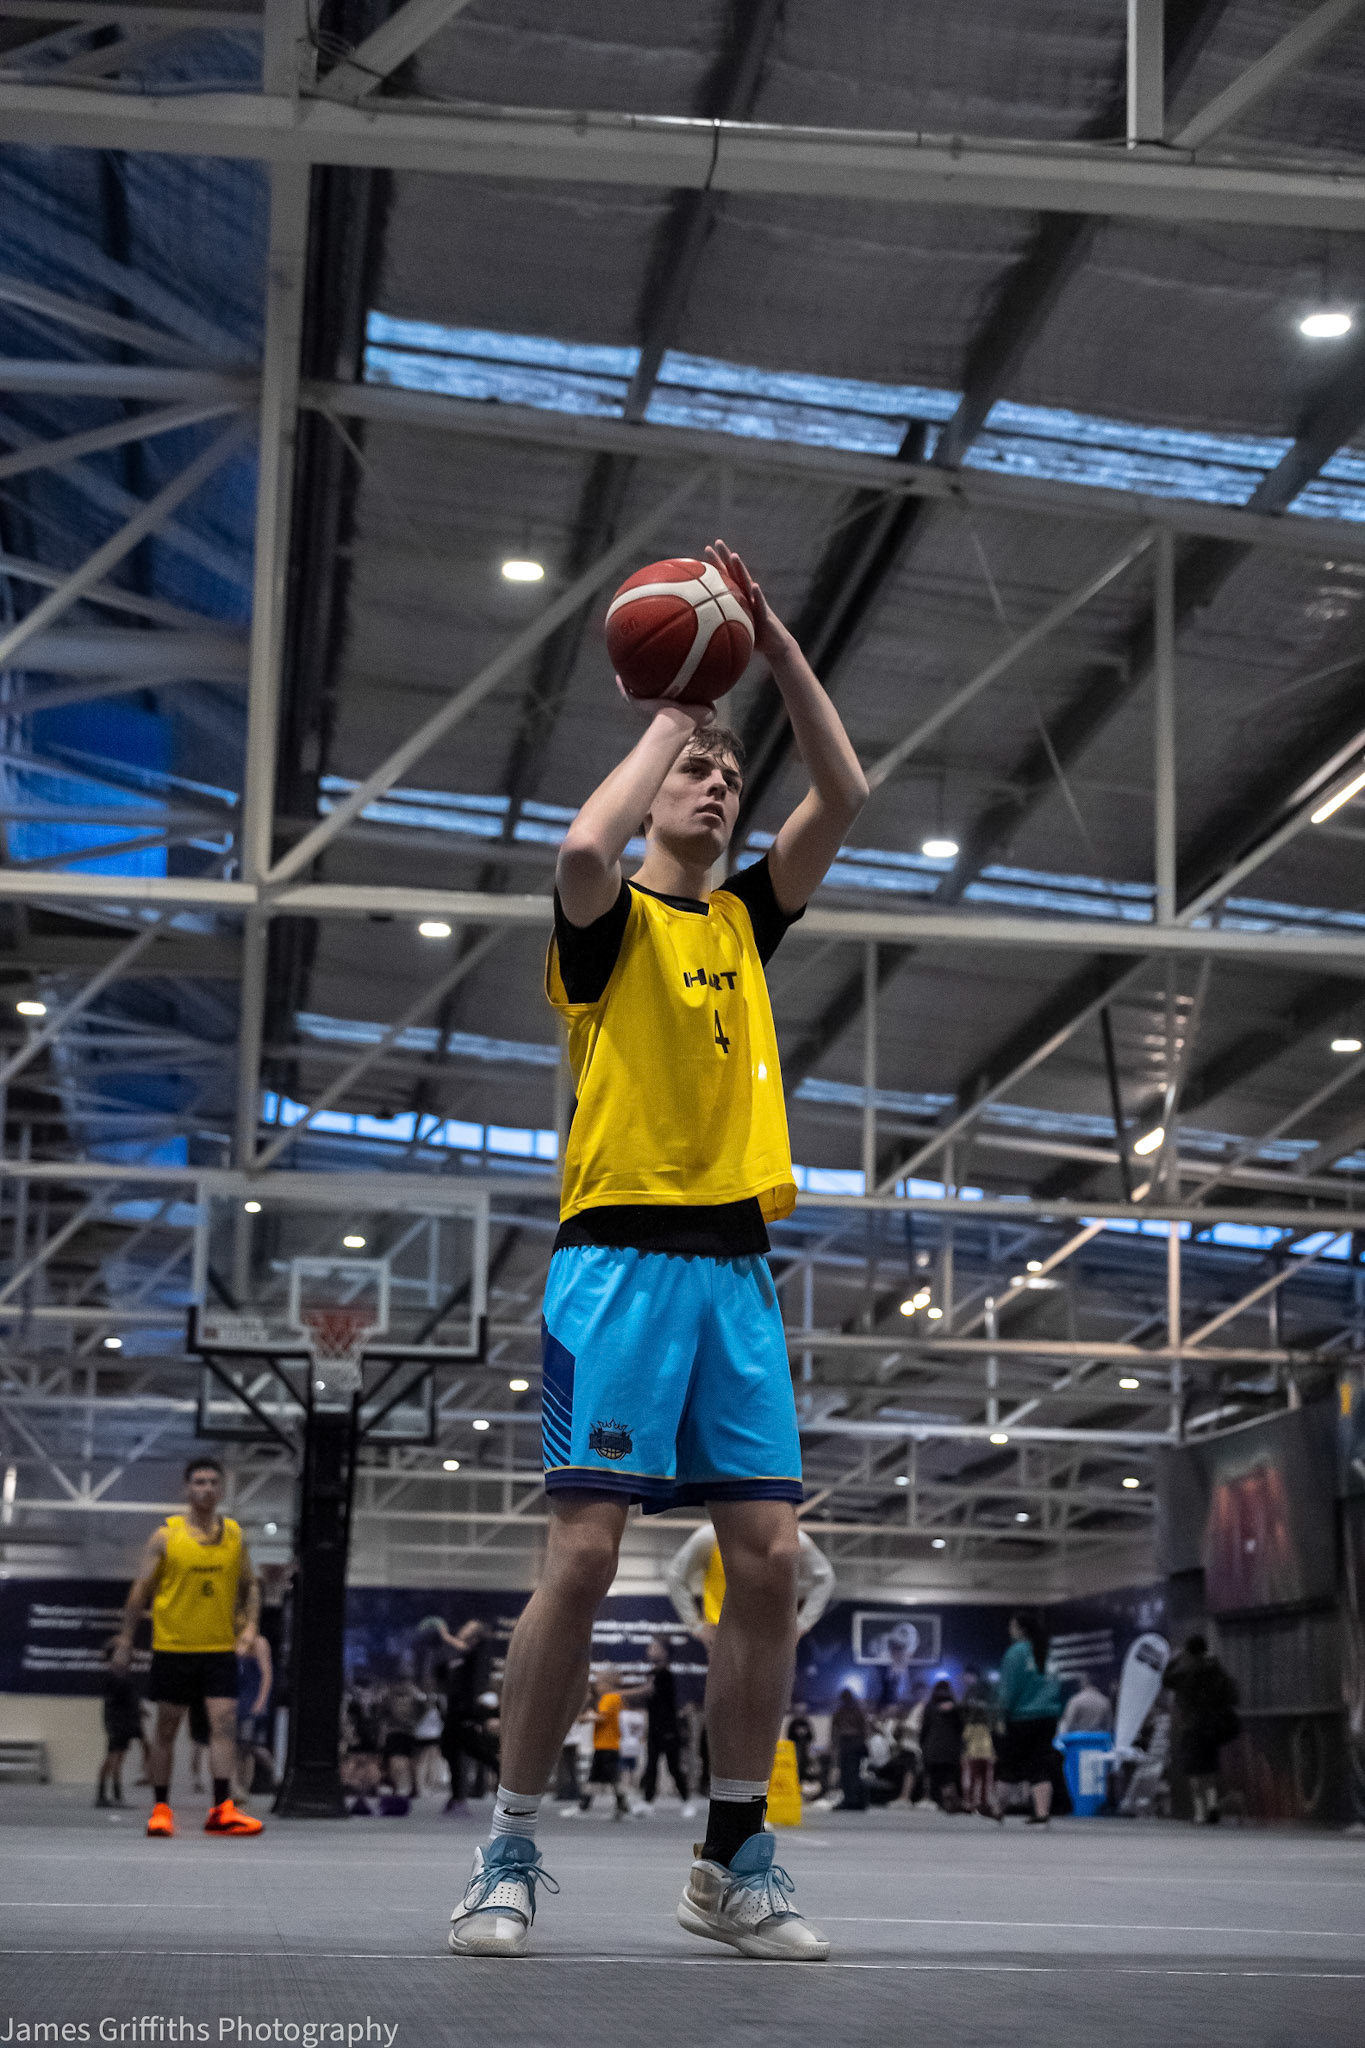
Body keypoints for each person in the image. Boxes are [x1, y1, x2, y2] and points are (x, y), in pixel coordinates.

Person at [448, 539, 866, 1963]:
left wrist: (774, 649)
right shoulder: (607, 921)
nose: (720, 782)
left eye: (730, 773)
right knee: (582, 1558)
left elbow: (845, 795)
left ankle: (733, 1858)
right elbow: (581, 848)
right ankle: (507, 1849)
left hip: (734, 1271)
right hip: (615, 1264)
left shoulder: (746, 920)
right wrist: (672, 717)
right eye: (701, 769)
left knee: (769, 1555)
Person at [111, 1455, 263, 1837]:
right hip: (174, 1648)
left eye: (213, 1482)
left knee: (224, 1725)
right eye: (199, 1482)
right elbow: (140, 1591)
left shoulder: (234, 1535)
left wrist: (250, 1628)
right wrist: (126, 1638)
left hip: (218, 1649)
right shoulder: (166, 1537)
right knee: (166, 1729)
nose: (206, 1488)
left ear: (221, 1490)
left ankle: (223, 1809)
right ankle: (161, 1809)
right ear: (187, 1489)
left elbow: (250, 1586)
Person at [664, 1521, 835, 1647]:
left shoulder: (792, 1539)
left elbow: (825, 1578)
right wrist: (696, 1626)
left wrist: (802, 1625)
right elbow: (675, 1575)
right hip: (724, 1635)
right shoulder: (710, 1537)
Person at [1164, 1634, 1240, 1824]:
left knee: (1194, 1771)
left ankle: (1200, 1812)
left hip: (1191, 1726)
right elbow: (1231, 1694)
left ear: (1188, 1651)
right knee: (1209, 1768)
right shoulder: (1215, 1670)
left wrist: (1173, 1660)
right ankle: (1213, 1804)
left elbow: (1166, 1681)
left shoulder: (1186, 1673)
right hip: (1212, 1727)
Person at [994, 1612, 1062, 1826]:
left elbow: (1009, 1688)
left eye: (1012, 1626)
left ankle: (998, 1809)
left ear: (1021, 1629)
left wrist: (1002, 1714)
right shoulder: (1048, 1652)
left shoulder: (1016, 1652)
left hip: (1022, 1716)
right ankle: (1042, 1812)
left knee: (1008, 1764)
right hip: (1048, 1716)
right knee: (1040, 1764)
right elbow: (1057, 1684)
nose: (1009, 1630)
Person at [627, 1635, 698, 1817]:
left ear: (665, 1653)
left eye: (655, 1648)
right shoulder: (651, 1674)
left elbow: (669, 1705)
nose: (650, 1651)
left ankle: (687, 1800)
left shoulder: (666, 1675)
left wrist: (671, 1730)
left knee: (673, 1767)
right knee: (651, 1766)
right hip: (654, 1728)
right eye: (650, 1648)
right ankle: (647, 1801)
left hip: (668, 1729)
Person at [438, 1619, 500, 1815]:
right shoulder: (455, 1656)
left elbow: (468, 1654)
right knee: (452, 1751)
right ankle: (457, 1797)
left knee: (473, 1750)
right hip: (453, 1711)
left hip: (466, 1711)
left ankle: (503, 1777)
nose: (464, 1629)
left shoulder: (476, 1653)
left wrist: (446, 1636)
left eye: (470, 1628)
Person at [575, 1669, 631, 1820]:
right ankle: (584, 1805)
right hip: (605, 1744)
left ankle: (622, 1805)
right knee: (595, 1777)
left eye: (600, 1683)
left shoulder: (609, 1698)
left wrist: (585, 1718)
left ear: (608, 1683)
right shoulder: (616, 1698)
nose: (597, 1686)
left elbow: (602, 1717)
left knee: (612, 1778)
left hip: (607, 1745)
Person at [96, 1639, 143, 1807]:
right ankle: (106, 1795)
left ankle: (113, 1795)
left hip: (125, 1721)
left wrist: (139, 1712)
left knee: (119, 1758)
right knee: (113, 1758)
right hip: (116, 1722)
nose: (124, 1657)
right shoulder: (112, 1677)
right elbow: (116, 1700)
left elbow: (131, 1700)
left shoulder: (126, 1676)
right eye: (120, 1654)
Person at [919, 1678, 965, 1810]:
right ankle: (951, 1800)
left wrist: (922, 1745)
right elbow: (961, 1728)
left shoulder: (930, 1706)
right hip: (951, 1748)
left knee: (937, 1777)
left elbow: (925, 1728)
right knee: (949, 1776)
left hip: (932, 1747)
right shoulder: (956, 1708)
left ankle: (943, 1800)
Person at [829, 1687, 869, 1812]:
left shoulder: (840, 1712)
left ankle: (850, 1799)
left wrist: (833, 1745)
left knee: (848, 1773)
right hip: (855, 1744)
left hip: (848, 1744)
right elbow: (864, 1729)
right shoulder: (857, 1711)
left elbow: (834, 1731)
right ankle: (854, 1799)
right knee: (853, 1773)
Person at [1059, 1670, 1113, 1737]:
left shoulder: (1075, 1700)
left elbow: (1068, 1724)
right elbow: (1109, 1726)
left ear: (1084, 1683)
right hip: (1098, 1740)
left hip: (1078, 1740)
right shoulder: (1105, 1701)